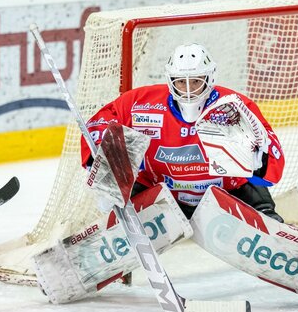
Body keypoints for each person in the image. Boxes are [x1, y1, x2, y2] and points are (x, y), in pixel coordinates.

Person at [80, 43, 285, 222]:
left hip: (227, 195)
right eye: (181, 81)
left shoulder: (234, 107)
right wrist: (100, 159)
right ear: (171, 80)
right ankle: (121, 223)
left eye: (195, 81)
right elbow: (99, 122)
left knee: (258, 197)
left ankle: (266, 219)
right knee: (120, 171)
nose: (188, 89)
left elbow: (272, 164)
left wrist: (261, 162)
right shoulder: (140, 104)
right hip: (161, 197)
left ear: (209, 78)